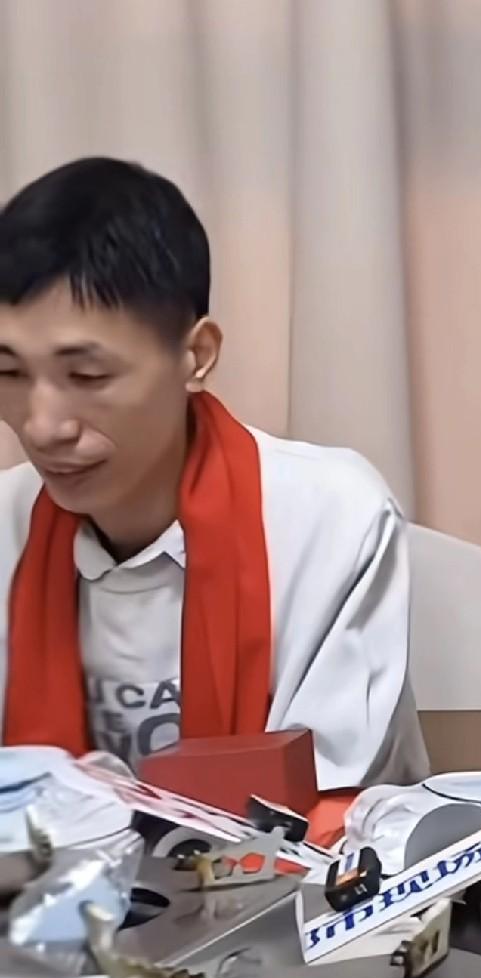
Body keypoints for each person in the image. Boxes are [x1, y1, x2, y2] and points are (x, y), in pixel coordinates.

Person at [0, 157, 428, 837]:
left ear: (196, 356)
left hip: (300, 890)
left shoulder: (330, 517)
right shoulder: (9, 522)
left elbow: (320, 810)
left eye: (87, 375)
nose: (42, 425)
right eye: (9, 373)